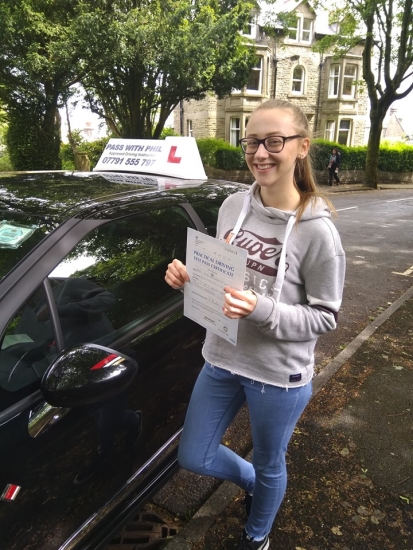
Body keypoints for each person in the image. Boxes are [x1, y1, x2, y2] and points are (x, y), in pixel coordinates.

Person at [165, 99, 345, 550]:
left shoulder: (317, 231)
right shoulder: (232, 206)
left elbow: (326, 316)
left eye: (274, 141)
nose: (260, 153)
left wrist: (261, 309)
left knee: (271, 463)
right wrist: (189, 281)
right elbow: (223, 279)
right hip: (222, 358)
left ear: (302, 147)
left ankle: (257, 535)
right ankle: (254, 485)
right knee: (195, 454)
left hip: (277, 376)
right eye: (252, 142)